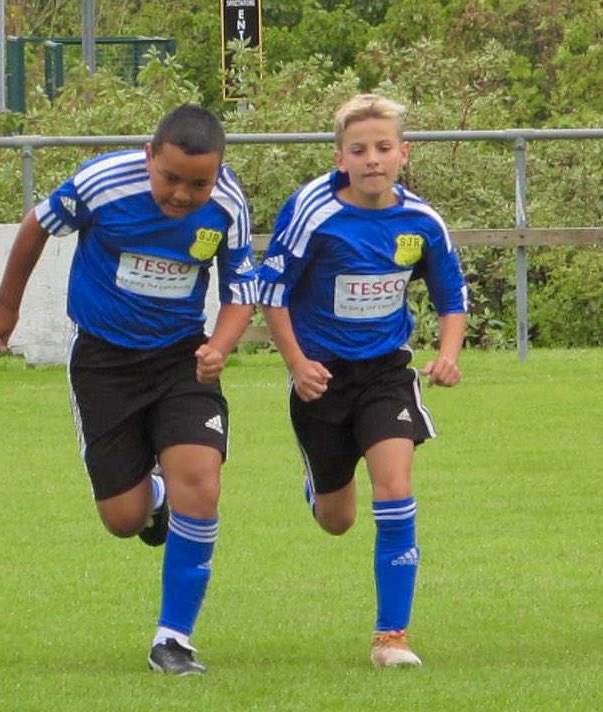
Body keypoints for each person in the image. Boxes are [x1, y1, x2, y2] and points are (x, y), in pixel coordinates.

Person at [0, 104, 258, 675]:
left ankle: (173, 640)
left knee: (201, 485)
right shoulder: (101, 184)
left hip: (182, 360)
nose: (182, 195)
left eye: (198, 183)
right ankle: (153, 497)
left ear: (220, 169)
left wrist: (220, 347)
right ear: (149, 154)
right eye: (171, 178)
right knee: (123, 519)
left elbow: (240, 288)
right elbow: (36, 227)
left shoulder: (229, 206)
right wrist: (6, 305)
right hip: (103, 363)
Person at [257, 93, 468, 667]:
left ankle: (390, 637)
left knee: (396, 490)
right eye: (359, 149)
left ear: (403, 153)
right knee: (337, 520)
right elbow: (272, 291)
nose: (372, 158)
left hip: (386, 374)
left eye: (382, 147)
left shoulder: (421, 221)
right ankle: (319, 484)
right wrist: (297, 364)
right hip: (321, 379)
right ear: (340, 157)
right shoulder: (312, 211)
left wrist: (447, 354)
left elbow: (452, 296)